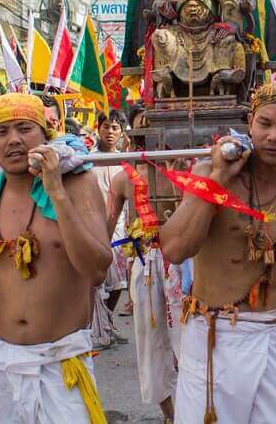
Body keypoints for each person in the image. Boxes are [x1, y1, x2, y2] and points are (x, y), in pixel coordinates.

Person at [159, 82, 276, 423]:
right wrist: (220, 180)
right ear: (249, 122)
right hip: (212, 334)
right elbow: (176, 249)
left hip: (273, 335)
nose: (274, 136)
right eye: (265, 124)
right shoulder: (209, 173)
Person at [0, 93, 112, 424]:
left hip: (61, 366)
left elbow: (97, 269)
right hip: (1, 367)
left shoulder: (79, 184)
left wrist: (56, 192)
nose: (13, 140)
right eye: (1, 132)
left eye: (24, 128)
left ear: (45, 134)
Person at [105, 107, 184, 421]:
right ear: (132, 135)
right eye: (142, 128)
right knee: (151, 346)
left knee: (188, 341)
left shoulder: (185, 166)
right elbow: (108, 224)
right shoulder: (123, 176)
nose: (149, 133)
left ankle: (193, 409)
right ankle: (171, 415)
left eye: (155, 127)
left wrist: (176, 174)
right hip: (145, 266)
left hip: (182, 263)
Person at [90, 110, 127, 346]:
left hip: (120, 229)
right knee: (96, 279)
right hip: (93, 225)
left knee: (118, 281)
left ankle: (107, 321)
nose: (110, 132)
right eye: (106, 126)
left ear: (121, 132)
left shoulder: (126, 162)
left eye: (114, 128)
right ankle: (99, 327)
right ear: (98, 128)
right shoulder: (87, 160)